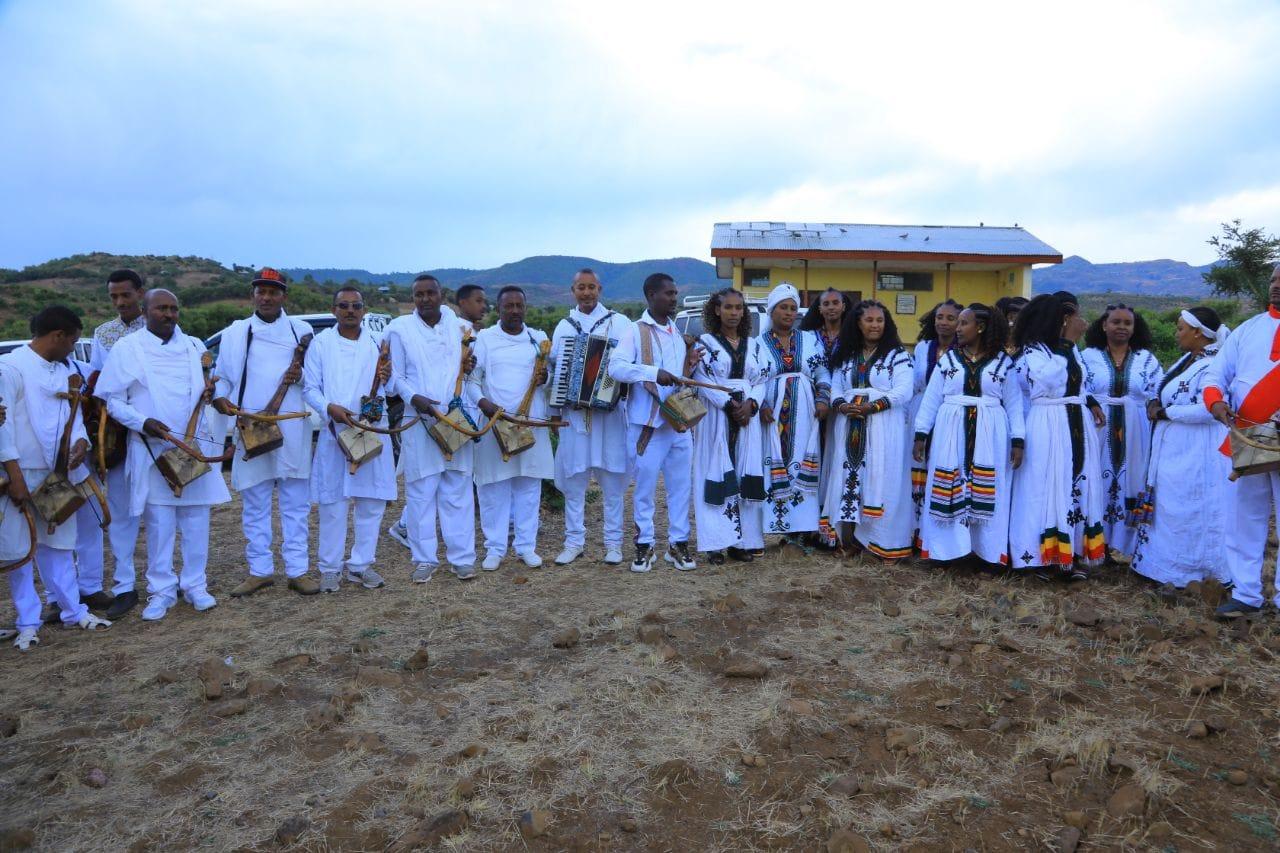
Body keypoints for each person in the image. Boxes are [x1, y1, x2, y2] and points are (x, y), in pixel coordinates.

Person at [97, 289, 231, 620]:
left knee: (197, 520)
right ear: (145, 311)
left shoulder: (195, 346)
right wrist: (143, 422)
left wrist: (216, 393)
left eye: (173, 308)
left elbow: (214, 384)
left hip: (193, 448)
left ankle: (195, 586)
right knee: (159, 523)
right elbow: (112, 400)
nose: (168, 314)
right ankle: (161, 591)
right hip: (152, 448)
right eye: (161, 309)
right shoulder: (128, 348)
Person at [0, 306, 112, 650]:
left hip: (57, 474)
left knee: (60, 546)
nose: (73, 348)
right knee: (21, 550)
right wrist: (14, 476)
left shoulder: (65, 369)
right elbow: (3, 429)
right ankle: (27, 621)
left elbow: (73, 413)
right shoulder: (11, 368)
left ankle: (72, 611)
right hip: (18, 473)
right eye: (73, 341)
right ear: (58, 336)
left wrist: (81, 440)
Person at [211, 267, 319, 597]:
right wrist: (220, 398)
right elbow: (224, 377)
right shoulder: (235, 333)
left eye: (273, 291)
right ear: (253, 295)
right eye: (261, 291)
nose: (267, 297)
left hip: (291, 426)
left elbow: (314, 379)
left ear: (283, 295)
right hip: (250, 426)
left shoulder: (301, 330)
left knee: (295, 503)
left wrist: (298, 375)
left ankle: (298, 570)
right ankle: (260, 571)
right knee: (255, 502)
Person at [912, 304, 1024, 566]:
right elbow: (931, 400)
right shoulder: (948, 361)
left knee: (987, 488)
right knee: (949, 484)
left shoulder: (1003, 363)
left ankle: (985, 552)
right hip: (949, 433)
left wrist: (1018, 439)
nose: (957, 328)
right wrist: (921, 433)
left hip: (991, 435)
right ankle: (947, 551)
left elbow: (1015, 404)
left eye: (963, 323)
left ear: (981, 327)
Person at [1131, 307, 1233, 588]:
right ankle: (1165, 567)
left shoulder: (1217, 364)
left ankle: (1197, 571)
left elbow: (1210, 408)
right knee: (1172, 505)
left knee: (1195, 506)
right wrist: (1154, 403)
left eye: (1180, 329)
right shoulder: (1189, 359)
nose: (1176, 334)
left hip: (1199, 449)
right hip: (1176, 448)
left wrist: (1167, 413)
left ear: (1198, 332)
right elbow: (1166, 389)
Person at [385, 274, 479, 581]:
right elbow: (394, 376)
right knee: (421, 492)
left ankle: (462, 558)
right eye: (419, 295)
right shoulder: (398, 329)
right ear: (413, 298)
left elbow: (468, 370)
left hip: (455, 418)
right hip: (419, 419)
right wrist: (416, 399)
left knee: (458, 490)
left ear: (442, 295)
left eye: (430, 293)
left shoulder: (461, 328)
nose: (425, 299)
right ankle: (424, 559)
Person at [303, 287, 396, 593]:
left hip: (369, 431)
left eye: (356, 306)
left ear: (363, 310)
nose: (350, 311)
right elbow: (310, 389)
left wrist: (387, 375)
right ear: (334, 310)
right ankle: (330, 568)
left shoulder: (374, 344)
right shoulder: (321, 344)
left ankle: (361, 565)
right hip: (335, 432)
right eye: (343, 306)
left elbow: (389, 388)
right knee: (333, 503)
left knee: (370, 502)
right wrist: (329, 408)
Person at [1009, 293, 1107, 579]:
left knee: (1072, 484)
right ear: (1060, 320)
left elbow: (1077, 381)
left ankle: (1067, 556)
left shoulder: (1068, 350)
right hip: (1048, 422)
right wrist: (1068, 343)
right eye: (1070, 315)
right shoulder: (1034, 350)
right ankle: (1037, 559)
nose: (1078, 320)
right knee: (1044, 485)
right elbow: (1047, 381)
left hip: (1075, 422)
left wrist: (1089, 401)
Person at [608, 273, 699, 572]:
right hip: (647, 426)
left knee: (680, 487)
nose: (674, 298)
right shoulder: (635, 331)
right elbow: (617, 367)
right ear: (650, 295)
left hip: (679, 423)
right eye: (668, 294)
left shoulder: (678, 333)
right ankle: (644, 546)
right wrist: (651, 372)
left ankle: (678, 545)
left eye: (675, 293)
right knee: (644, 488)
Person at [76, 268, 148, 617]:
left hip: (156, 433)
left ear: (140, 293)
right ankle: (125, 586)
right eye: (114, 297)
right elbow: (99, 384)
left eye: (126, 295)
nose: (120, 302)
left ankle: (170, 582)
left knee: (163, 512)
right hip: (118, 435)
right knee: (120, 514)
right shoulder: (104, 333)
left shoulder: (161, 325)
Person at [1209, 264, 1280, 617]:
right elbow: (1216, 373)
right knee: (1243, 518)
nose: (1277, 287)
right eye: (1273, 280)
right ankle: (1246, 595)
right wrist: (1216, 400)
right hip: (1245, 436)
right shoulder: (1248, 329)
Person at [549, 269, 632, 566]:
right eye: (581, 288)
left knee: (612, 481)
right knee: (575, 480)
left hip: (609, 418)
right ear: (573, 290)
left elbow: (628, 366)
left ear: (600, 289)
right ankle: (574, 542)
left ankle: (613, 543)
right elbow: (554, 371)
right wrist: (555, 411)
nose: (586, 293)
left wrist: (616, 391)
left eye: (591, 287)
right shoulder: (563, 327)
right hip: (575, 415)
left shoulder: (619, 323)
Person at [821, 300, 914, 559]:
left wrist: (872, 407)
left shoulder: (898, 356)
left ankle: (880, 543)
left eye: (880, 320)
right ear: (857, 324)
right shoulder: (847, 355)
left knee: (883, 480)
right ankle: (849, 540)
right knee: (848, 480)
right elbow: (836, 386)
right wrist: (841, 405)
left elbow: (904, 391)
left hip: (883, 427)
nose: (875, 325)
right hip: (849, 425)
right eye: (869, 320)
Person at [470, 286, 553, 570]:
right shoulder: (485, 339)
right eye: (509, 306)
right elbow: (472, 381)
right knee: (493, 487)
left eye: (520, 305)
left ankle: (526, 547)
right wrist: (484, 404)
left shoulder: (537, 339)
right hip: (495, 423)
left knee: (529, 486)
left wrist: (546, 378)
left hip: (531, 422)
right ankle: (494, 548)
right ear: (499, 308)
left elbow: (551, 379)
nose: (515, 311)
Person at [692, 289, 770, 564]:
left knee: (742, 475)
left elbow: (762, 380)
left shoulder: (755, 345)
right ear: (716, 310)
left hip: (747, 419)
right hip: (716, 417)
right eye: (728, 307)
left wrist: (750, 405)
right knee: (714, 472)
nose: (734, 313)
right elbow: (700, 378)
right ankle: (716, 542)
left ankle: (742, 542)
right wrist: (728, 405)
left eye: (739, 308)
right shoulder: (705, 343)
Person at [1080, 304, 1162, 560]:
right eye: (1116, 322)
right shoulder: (1087, 356)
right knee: (1096, 479)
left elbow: (1158, 390)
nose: (1122, 327)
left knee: (1133, 481)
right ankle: (1095, 545)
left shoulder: (1146, 359)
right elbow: (1078, 387)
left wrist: (1154, 404)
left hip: (1136, 432)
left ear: (1135, 328)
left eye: (1128, 323)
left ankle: (1126, 547)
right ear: (1104, 325)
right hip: (1097, 428)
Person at [757, 283, 830, 545]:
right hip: (771, 412)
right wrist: (762, 405)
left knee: (803, 463)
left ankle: (802, 528)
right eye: (783, 308)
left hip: (805, 411)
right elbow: (755, 380)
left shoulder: (809, 340)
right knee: (772, 461)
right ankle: (774, 526)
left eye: (792, 308)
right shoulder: (758, 343)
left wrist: (823, 398)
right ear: (771, 311)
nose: (788, 313)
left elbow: (821, 371)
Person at [909, 300, 963, 546]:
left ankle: (938, 534)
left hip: (949, 416)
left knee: (940, 468)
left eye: (951, 318)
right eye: (939, 317)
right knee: (916, 467)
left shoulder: (964, 350)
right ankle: (914, 530)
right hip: (920, 411)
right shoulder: (922, 348)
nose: (943, 322)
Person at [802, 287, 851, 548]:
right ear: (818, 309)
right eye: (826, 303)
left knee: (836, 461)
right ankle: (809, 524)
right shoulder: (809, 338)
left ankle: (833, 526)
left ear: (844, 306)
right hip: (813, 406)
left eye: (836, 303)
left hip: (842, 408)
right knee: (813, 458)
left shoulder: (854, 336)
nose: (831, 307)